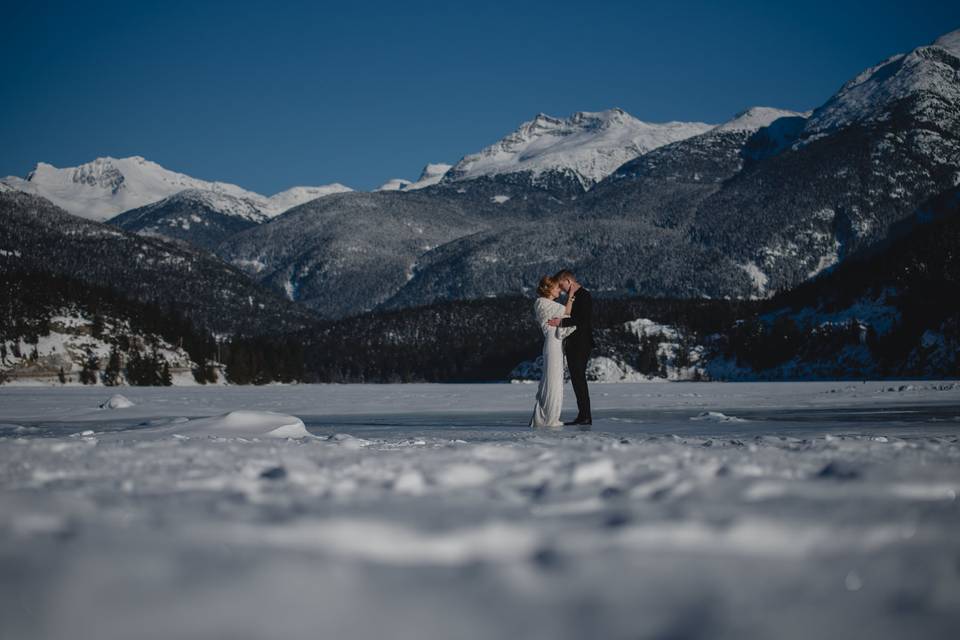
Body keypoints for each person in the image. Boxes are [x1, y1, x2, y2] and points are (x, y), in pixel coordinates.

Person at [547, 269, 594, 426]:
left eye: (561, 285)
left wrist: (560, 323)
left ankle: (585, 416)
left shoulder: (584, 295)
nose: (560, 289)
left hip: (581, 344)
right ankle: (583, 415)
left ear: (568, 281)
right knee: (576, 379)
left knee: (579, 379)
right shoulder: (574, 295)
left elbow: (582, 320)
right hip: (575, 344)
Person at [529, 275, 577, 428]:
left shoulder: (548, 304)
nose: (559, 290)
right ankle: (548, 419)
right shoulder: (543, 303)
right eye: (557, 287)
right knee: (552, 382)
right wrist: (571, 299)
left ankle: (548, 417)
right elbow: (569, 315)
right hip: (553, 342)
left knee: (554, 381)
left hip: (556, 342)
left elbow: (567, 316)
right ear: (549, 289)